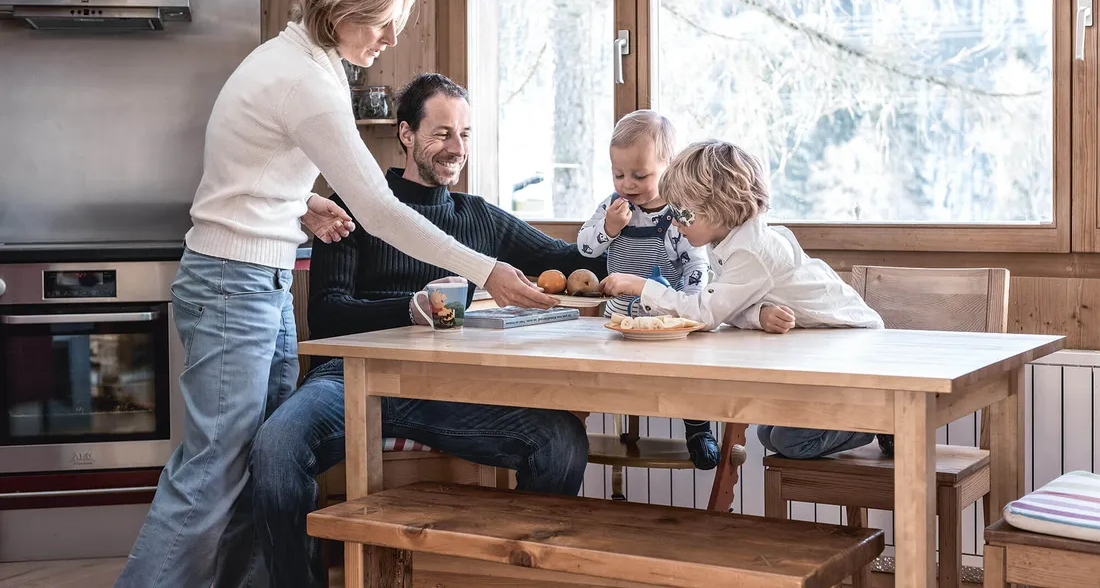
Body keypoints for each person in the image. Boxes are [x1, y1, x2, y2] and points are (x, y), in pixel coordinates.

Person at [114, 0, 554, 588]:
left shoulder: (300, 62)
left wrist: (303, 201)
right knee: (210, 474)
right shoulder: (305, 78)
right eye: (381, 23)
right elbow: (378, 209)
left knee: (245, 471)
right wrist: (485, 269)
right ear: (343, 5)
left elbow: (252, 163)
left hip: (256, 281)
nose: (387, 39)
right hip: (234, 288)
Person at [249, 73, 605, 588]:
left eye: (464, 134)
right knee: (275, 448)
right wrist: (410, 308)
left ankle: (509, 577)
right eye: (441, 133)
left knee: (561, 442)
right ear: (407, 135)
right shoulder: (353, 204)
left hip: (447, 391)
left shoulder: (478, 216)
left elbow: (568, 259)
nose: (455, 148)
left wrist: (614, 228)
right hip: (348, 381)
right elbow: (327, 315)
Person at [600, 139, 887, 463]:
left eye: (680, 212)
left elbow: (705, 315)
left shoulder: (751, 249)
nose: (674, 220)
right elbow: (725, 306)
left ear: (717, 209)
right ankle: (873, 420)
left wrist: (644, 287)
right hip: (824, 343)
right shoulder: (725, 241)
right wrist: (757, 315)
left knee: (789, 441)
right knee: (769, 434)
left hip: (852, 342)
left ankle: (883, 423)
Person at [576, 110, 718, 469]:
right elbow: (585, 248)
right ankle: (570, 425)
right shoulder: (613, 207)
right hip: (619, 318)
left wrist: (687, 304)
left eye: (640, 175)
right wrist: (608, 228)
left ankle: (698, 427)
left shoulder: (679, 215)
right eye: (618, 174)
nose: (628, 184)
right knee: (587, 369)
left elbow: (697, 262)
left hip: (665, 322)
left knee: (687, 371)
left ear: (668, 168)